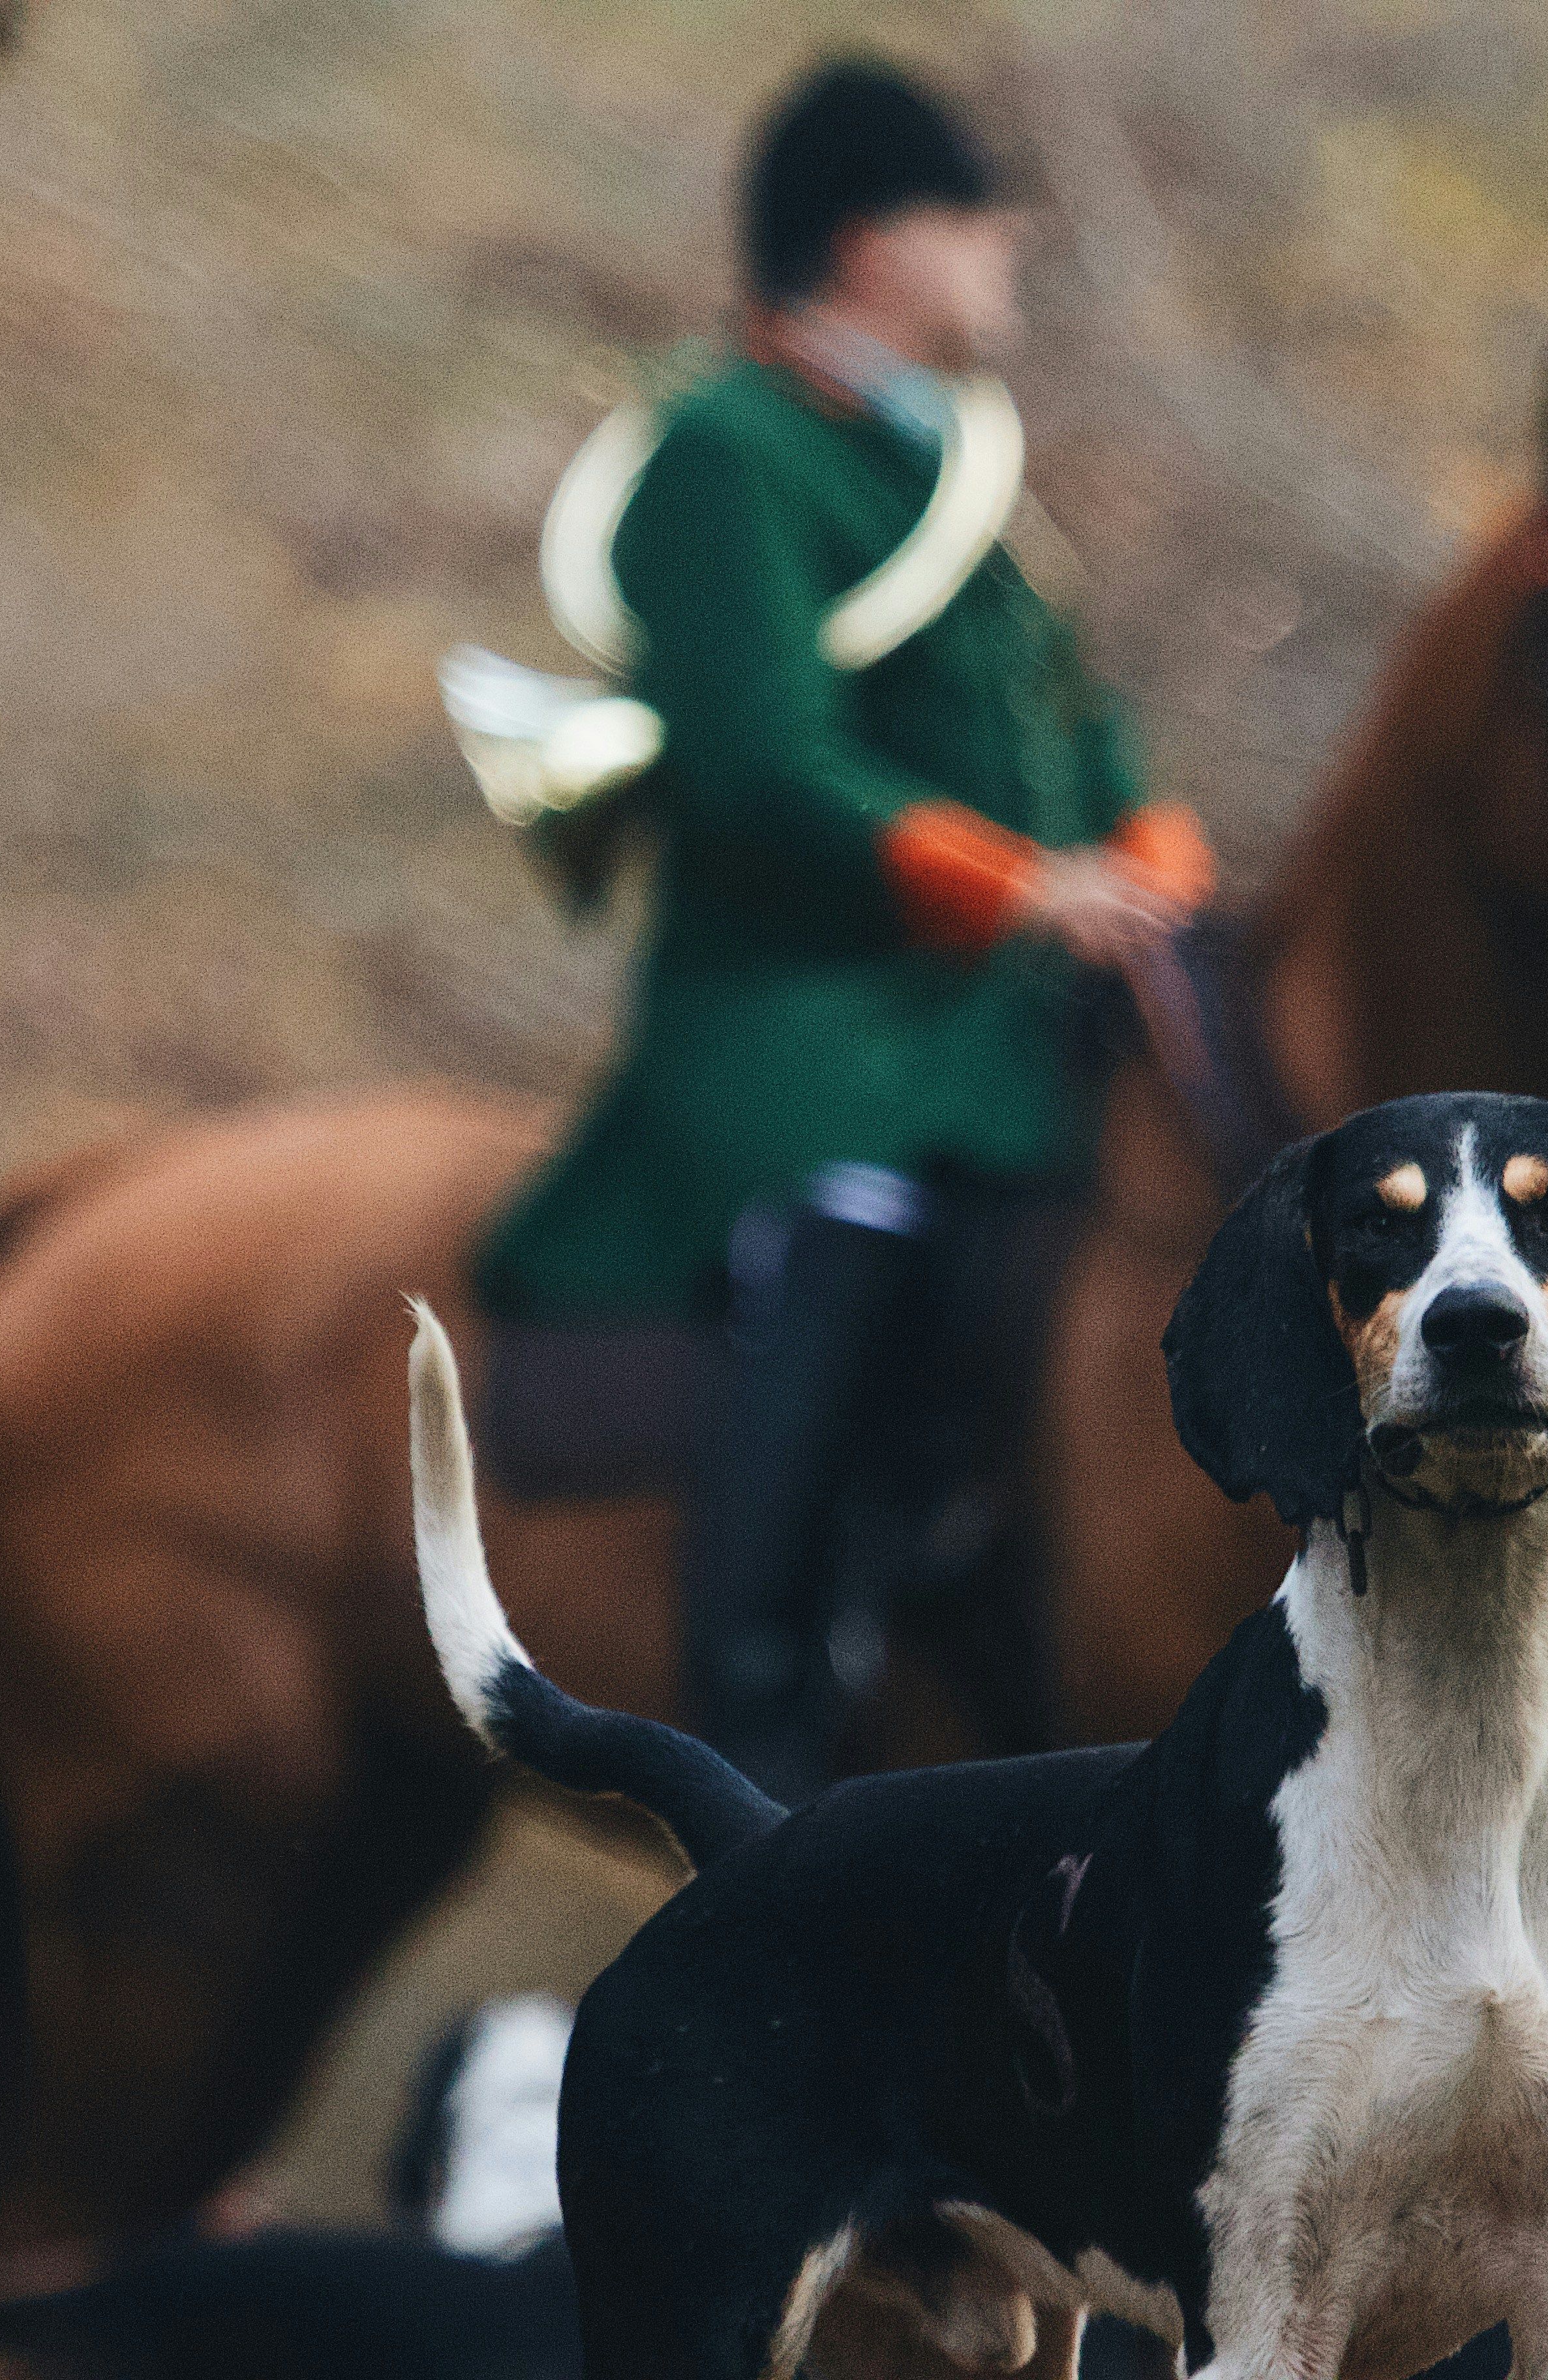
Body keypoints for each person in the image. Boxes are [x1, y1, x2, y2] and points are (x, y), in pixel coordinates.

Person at [477, 58, 1213, 1800]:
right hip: (803, 1010)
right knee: (855, 1204)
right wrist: (1024, 890)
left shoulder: (954, 471)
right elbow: (757, 766)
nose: (1008, 252)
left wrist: (1153, 859)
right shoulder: (722, 456)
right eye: (978, 223)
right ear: (876, 247)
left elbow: (1076, 721)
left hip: (1000, 1014)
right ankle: (765, 1691)